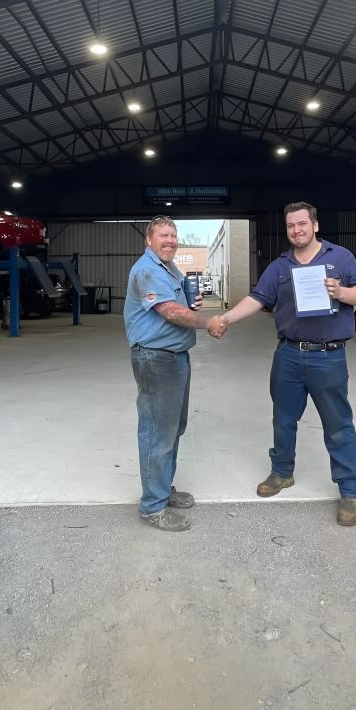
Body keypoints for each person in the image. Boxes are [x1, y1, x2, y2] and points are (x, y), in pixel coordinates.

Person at [208, 202, 356, 526]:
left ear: (315, 225)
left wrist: (340, 291)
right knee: (283, 420)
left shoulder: (339, 258)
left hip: (328, 356)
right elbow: (257, 299)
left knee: (338, 426)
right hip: (289, 356)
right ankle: (282, 473)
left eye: (301, 224)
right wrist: (224, 318)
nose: (296, 230)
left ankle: (350, 490)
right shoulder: (280, 266)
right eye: (291, 226)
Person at [124, 214, 222, 532]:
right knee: (157, 432)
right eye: (163, 235)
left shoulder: (169, 267)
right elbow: (168, 311)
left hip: (175, 357)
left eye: (173, 235)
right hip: (156, 359)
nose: (170, 240)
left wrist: (191, 303)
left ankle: (162, 489)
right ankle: (153, 507)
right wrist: (207, 321)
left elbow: (178, 303)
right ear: (148, 240)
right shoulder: (147, 269)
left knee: (172, 429)